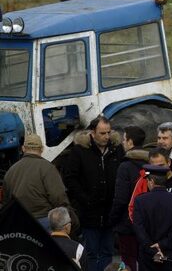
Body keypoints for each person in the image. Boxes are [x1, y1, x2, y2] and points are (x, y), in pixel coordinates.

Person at [64, 115, 124, 271]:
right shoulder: (80, 151)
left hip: (110, 212)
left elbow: (122, 175)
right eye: (102, 133)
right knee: (90, 252)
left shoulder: (116, 150)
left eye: (108, 132)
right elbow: (70, 178)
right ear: (92, 132)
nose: (106, 137)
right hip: (89, 212)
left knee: (107, 251)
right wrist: (84, 199)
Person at [3, 134, 70, 229]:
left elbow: (6, 203)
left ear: (23, 148)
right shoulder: (48, 168)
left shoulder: (11, 171)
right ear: (42, 149)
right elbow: (58, 196)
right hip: (43, 221)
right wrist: (68, 213)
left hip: (19, 223)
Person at [132, 164, 172, 271]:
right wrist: (163, 244)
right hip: (170, 253)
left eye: (147, 181)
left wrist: (152, 248)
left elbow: (138, 229)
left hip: (147, 256)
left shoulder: (140, 201)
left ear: (151, 181)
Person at [108, 126, 148, 271]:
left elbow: (121, 199)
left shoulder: (125, 167)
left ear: (130, 142)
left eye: (124, 140)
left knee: (128, 261)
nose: (123, 143)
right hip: (147, 223)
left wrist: (112, 220)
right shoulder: (151, 165)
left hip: (127, 224)